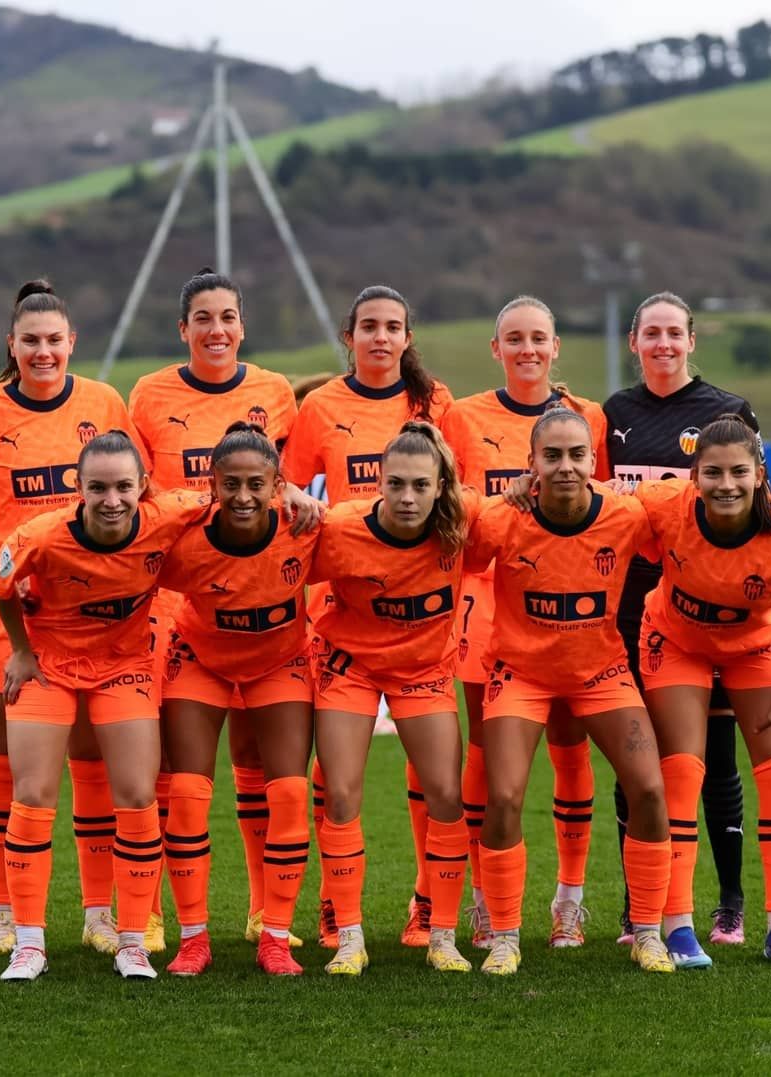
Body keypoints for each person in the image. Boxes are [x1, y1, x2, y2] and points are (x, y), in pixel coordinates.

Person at [0, 280, 134, 958]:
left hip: (90, 617)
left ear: (72, 342)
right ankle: (5, 915)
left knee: (92, 766)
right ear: (12, 345)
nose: (43, 351)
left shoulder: (104, 403)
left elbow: (132, 494)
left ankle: (98, 913)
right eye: (31, 341)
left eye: (54, 340)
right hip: (10, 620)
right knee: (4, 768)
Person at [0, 432, 204, 982]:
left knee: (137, 797)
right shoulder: (41, 535)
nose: (112, 500)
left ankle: (132, 943)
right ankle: (29, 945)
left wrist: (291, 493)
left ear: (143, 486)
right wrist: (21, 651)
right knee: (32, 796)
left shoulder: (169, 512)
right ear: (77, 488)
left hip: (124, 664)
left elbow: (231, 495)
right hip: (49, 666)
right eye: (99, 488)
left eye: (124, 487)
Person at [465, 405, 673, 975]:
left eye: (577, 455)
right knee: (504, 797)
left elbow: (683, 525)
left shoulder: (625, 515)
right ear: (530, 462)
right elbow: (455, 552)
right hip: (520, 674)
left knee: (650, 790)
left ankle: (648, 932)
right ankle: (504, 935)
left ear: (593, 460)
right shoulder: (502, 518)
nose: (565, 466)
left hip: (600, 673)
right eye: (551, 455)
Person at [128, 269, 300, 949]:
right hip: (177, 597)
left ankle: (263, 909)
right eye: (203, 317)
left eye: (227, 316)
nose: (216, 329)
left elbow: (283, 482)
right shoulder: (148, 394)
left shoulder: (275, 392)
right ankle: (149, 911)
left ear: (242, 326)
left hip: (257, 591)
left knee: (257, 761)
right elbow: (141, 494)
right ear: (183, 329)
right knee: (168, 767)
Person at [283, 285, 455, 947]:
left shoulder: (435, 402)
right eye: (369, 327)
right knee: (335, 776)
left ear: (407, 337)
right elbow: (288, 485)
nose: (381, 337)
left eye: (393, 327)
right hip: (345, 603)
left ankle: (427, 905)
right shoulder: (322, 405)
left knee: (431, 775)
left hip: (421, 612)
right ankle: (335, 908)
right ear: (348, 335)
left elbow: (461, 494)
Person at [630, 414, 771, 968]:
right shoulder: (663, 505)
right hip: (676, 641)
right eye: (713, 472)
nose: (726, 484)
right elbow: (596, 503)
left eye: (739, 472)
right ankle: (677, 928)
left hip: (759, 646)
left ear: (760, 474)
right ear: (694, 476)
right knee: (681, 772)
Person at [440, 295, 608, 951]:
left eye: (539, 337)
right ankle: (485, 902)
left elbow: (606, 508)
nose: (527, 349)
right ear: (496, 348)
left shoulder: (588, 416)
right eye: (514, 338)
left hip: (567, 603)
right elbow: (449, 504)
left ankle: (569, 900)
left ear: (556, 346)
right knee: (487, 754)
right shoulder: (462, 417)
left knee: (570, 745)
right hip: (485, 605)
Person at [602, 291, 760, 947]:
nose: (663, 343)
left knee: (716, 759)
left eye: (674, 332)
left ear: (691, 341)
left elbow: (757, 506)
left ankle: (729, 904)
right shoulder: (614, 414)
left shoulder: (729, 412)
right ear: (634, 342)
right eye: (652, 333)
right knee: (636, 763)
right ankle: (638, 908)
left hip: (708, 618)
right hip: (632, 615)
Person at [306, 421, 478, 976]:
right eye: (396, 484)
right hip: (350, 666)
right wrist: (289, 499)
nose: (407, 497)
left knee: (446, 795)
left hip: (423, 670)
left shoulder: (464, 521)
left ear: (440, 486)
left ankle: (442, 935)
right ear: (377, 482)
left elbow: (525, 514)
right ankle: (348, 935)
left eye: (420, 486)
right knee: (340, 793)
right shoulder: (339, 527)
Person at [155, 422, 320, 977]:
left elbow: (374, 537)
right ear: (212, 484)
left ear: (278, 485)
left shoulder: (305, 528)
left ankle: (275, 937)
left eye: (256, 484)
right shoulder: (184, 534)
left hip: (279, 661)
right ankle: (193, 938)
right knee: (185, 792)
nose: (243, 496)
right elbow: (124, 545)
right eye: (231, 484)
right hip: (200, 659)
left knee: (291, 793)